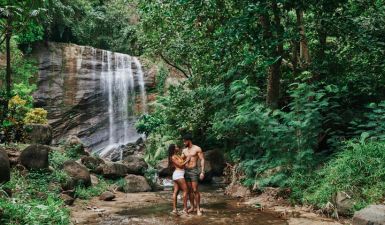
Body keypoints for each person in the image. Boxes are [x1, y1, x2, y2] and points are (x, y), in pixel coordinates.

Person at [181, 134, 205, 216]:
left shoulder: (197, 148)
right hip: (186, 171)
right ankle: (192, 207)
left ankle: (198, 209)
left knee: (195, 190)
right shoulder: (184, 150)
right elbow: (180, 160)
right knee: (189, 191)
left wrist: (202, 172)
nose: (184, 143)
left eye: (185, 141)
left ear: (189, 141)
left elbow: (202, 159)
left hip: (194, 171)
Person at [168, 144, 190, 215]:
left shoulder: (177, 155)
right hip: (178, 175)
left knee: (176, 192)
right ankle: (185, 209)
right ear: (174, 149)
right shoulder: (173, 157)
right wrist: (187, 160)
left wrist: (185, 156)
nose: (178, 147)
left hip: (178, 174)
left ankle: (175, 210)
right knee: (185, 190)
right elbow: (180, 166)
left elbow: (182, 160)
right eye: (177, 147)